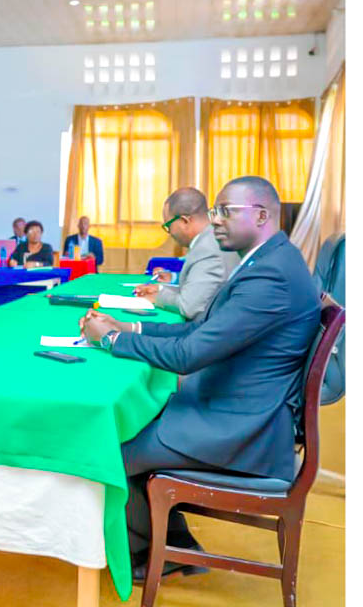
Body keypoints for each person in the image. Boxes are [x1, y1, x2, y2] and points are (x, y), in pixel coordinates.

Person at [79, 176, 321, 581]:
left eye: (225, 211)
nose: (216, 220)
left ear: (262, 215)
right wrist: (131, 328)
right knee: (137, 419)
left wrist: (112, 339)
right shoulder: (271, 260)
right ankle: (174, 547)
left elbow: (189, 355)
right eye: (214, 211)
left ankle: (145, 556)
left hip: (242, 429)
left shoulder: (270, 277)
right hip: (239, 409)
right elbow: (203, 330)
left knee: (110, 451)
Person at [132, 188, 239, 320]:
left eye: (168, 226)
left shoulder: (208, 249)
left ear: (184, 221)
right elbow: (204, 290)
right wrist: (161, 289)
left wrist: (157, 297)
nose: (170, 233)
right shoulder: (212, 238)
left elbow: (189, 307)